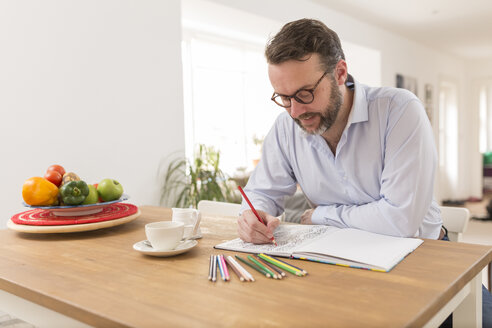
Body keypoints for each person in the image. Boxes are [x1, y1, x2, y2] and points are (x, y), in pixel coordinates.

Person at [236, 18, 491, 327]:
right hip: (335, 261)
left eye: (304, 94)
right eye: (283, 98)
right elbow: (263, 192)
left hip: (424, 258)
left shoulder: (399, 111)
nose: (295, 111)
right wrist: (255, 215)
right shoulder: (286, 128)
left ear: (340, 73)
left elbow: (401, 221)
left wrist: (318, 215)